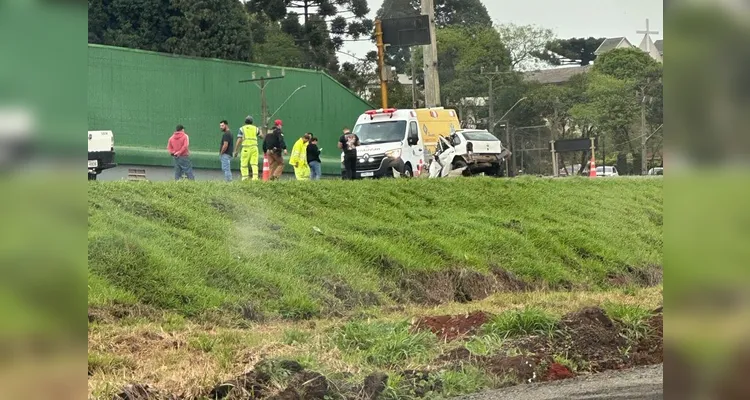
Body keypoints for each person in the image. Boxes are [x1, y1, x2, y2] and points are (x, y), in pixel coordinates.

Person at [234, 115, 261, 181]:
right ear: (252, 122)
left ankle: (245, 178)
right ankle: (255, 179)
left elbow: (239, 139)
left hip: (246, 148)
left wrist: (236, 150)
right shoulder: (256, 128)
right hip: (254, 148)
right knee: (254, 164)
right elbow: (261, 136)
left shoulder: (242, 129)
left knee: (244, 164)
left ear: (245, 121)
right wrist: (260, 130)